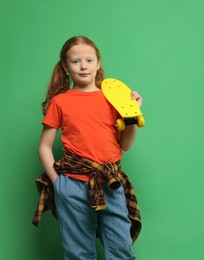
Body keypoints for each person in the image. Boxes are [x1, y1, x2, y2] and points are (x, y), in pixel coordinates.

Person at [32, 36, 142, 260]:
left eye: (89, 60)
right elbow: (44, 146)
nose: (83, 66)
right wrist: (58, 182)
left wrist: (132, 113)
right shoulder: (60, 102)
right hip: (72, 185)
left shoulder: (114, 99)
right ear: (65, 66)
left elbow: (126, 145)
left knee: (120, 248)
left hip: (110, 182)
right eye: (75, 62)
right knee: (78, 253)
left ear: (98, 63)